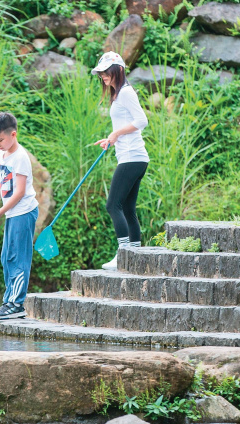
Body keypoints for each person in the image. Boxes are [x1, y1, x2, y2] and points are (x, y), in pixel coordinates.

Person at [92, 52, 149, 270]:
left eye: (107, 71)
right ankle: (134, 256)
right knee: (127, 207)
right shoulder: (118, 95)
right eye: (101, 72)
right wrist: (111, 138)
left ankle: (124, 255)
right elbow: (127, 125)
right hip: (133, 157)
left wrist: (116, 135)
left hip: (132, 158)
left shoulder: (125, 93)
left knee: (112, 205)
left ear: (119, 70)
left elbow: (141, 120)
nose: (103, 76)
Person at [0, 112, 39, 319]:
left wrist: (0, 212)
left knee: (18, 258)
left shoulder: (21, 157)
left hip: (23, 212)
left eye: (0, 140)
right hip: (11, 214)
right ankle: (9, 300)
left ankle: (16, 304)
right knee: (6, 257)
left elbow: (19, 192)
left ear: (13, 134)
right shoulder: (2, 154)